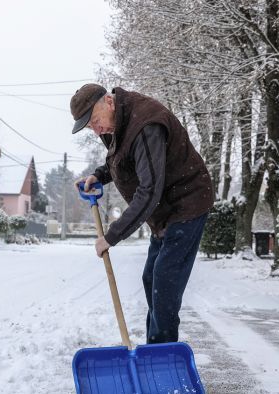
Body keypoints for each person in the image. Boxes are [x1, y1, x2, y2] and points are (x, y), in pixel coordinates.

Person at [71, 84, 214, 344]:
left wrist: (111, 236)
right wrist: (99, 175)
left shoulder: (146, 125)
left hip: (186, 204)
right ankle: (156, 349)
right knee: (152, 278)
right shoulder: (119, 122)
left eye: (94, 121)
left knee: (165, 282)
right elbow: (122, 158)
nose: (96, 130)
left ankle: (162, 354)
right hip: (164, 211)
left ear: (109, 102)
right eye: (89, 127)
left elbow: (149, 192)